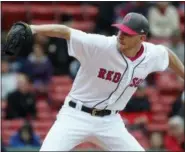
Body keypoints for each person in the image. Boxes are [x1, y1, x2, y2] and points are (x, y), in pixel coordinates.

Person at [28, 12, 184, 151]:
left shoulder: (151, 54)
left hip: (110, 121)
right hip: (76, 115)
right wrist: (32, 28)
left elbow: (168, 55)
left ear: (142, 38)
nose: (121, 35)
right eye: (121, 30)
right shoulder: (101, 45)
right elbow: (66, 32)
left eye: (128, 33)